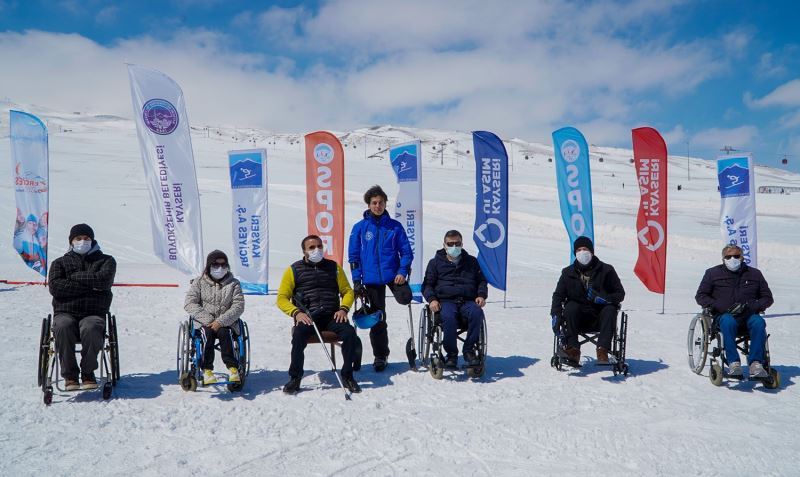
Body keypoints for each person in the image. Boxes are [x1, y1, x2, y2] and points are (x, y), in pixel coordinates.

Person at [277, 235, 361, 394]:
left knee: (350, 333)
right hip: (309, 317)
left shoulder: (334, 267)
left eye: (319, 246)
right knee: (298, 335)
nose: (317, 250)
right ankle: (295, 378)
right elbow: (282, 298)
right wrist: (296, 313)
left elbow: (347, 291)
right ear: (304, 251)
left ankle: (347, 376)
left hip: (332, 316)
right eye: (312, 247)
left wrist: (343, 309)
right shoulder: (293, 270)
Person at [348, 185, 413, 372]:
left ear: (385, 204)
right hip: (371, 278)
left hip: (393, 274)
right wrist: (357, 280)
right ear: (368, 205)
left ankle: (410, 349)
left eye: (381, 203)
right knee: (378, 317)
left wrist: (402, 271)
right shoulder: (360, 228)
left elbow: (406, 252)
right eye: (374, 203)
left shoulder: (395, 227)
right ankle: (380, 355)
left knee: (406, 298)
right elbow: (354, 257)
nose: (378, 206)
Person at [48, 224, 116, 391]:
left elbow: (104, 281)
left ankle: (88, 373)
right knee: (62, 326)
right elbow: (56, 287)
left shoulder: (106, 261)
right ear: (71, 241)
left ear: (92, 240)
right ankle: (70, 375)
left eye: (86, 238)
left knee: (92, 327)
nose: (82, 241)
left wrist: (74, 277)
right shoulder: (59, 263)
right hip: (65, 312)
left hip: (94, 312)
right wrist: (91, 286)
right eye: (78, 238)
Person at [695, 244, 774, 378]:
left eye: (736, 256)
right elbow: (701, 296)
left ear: (742, 257)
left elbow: (767, 298)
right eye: (728, 257)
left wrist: (753, 306)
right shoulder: (712, 273)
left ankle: (756, 363)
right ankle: (733, 362)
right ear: (723, 259)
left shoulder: (755, 274)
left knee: (759, 322)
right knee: (728, 321)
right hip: (723, 316)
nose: (732, 259)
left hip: (748, 315)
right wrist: (719, 305)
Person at [550, 236, 625, 366]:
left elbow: (620, 294)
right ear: (575, 253)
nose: (582, 252)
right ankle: (573, 351)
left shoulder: (606, 270)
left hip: (600, 319)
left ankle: (602, 350)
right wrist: (555, 314)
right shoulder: (567, 272)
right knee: (571, 306)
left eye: (585, 249)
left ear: (592, 252)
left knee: (610, 308)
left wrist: (604, 298)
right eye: (579, 250)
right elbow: (558, 296)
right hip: (577, 319)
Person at [422, 230, 487, 368]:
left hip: (468, 301)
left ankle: (469, 350)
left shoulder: (471, 262)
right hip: (446, 301)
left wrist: (481, 295)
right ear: (444, 245)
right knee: (448, 316)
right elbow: (427, 285)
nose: (454, 247)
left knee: (477, 312)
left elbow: (481, 281)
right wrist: (432, 299)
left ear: (462, 244)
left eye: (457, 243)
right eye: (450, 244)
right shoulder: (435, 263)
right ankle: (451, 354)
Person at [184, 250, 245, 385]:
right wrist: (210, 321)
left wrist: (220, 321)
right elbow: (189, 303)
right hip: (204, 322)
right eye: (216, 265)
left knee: (225, 333)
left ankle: (233, 368)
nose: (220, 268)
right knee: (207, 333)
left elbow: (238, 306)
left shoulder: (234, 284)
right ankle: (207, 370)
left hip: (226, 322)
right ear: (209, 266)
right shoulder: (199, 282)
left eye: (223, 265)